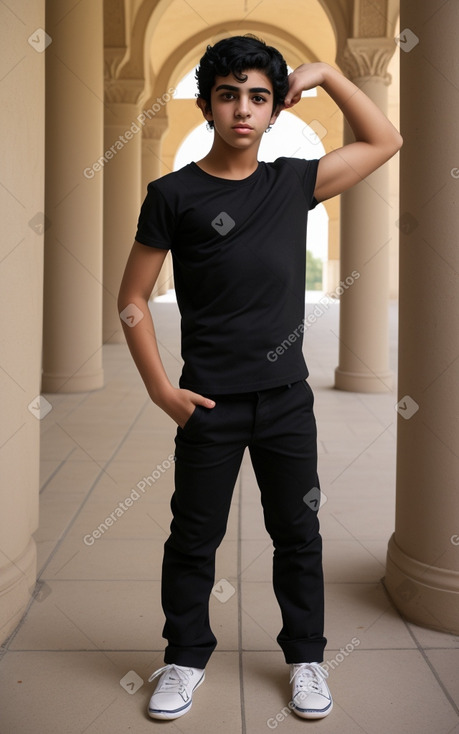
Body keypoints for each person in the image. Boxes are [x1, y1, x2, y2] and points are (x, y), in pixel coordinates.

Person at [118, 34, 402, 722]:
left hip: (285, 404)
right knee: (192, 537)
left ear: (273, 110)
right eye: (228, 95)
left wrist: (328, 73)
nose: (242, 109)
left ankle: (306, 657)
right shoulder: (173, 195)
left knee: (298, 535)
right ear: (206, 106)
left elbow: (384, 138)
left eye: (257, 96)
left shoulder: (292, 183)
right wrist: (161, 390)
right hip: (207, 405)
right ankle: (183, 659)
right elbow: (131, 300)